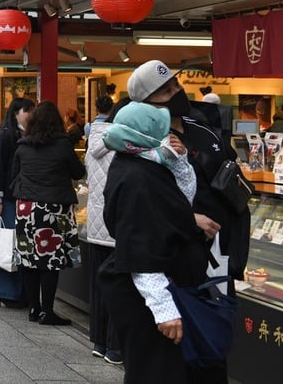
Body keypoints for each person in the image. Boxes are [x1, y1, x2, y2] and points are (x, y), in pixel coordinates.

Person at [127, 60, 248, 382]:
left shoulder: (202, 129)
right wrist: (186, 217)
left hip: (217, 259)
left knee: (212, 353)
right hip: (172, 264)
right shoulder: (143, 141)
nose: (176, 93)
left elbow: (230, 171)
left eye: (176, 86)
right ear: (146, 103)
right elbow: (139, 209)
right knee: (173, 360)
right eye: (165, 91)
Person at [99, 102, 209, 382]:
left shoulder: (145, 163)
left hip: (162, 287)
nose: (170, 135)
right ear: (144, 135)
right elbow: (141, 251)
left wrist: (178, 161)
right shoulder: (136, 178)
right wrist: (164, 310)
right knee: (155, 371)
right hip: (148, 300)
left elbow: (181, 202)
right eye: (161, 130)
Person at [11, 101, 85, 326]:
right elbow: (78, 171)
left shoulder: (22, 146)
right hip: (54, 208)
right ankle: (47, 310)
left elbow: (14, 176)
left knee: (29, 258)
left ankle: (33, 307)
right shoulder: (63, 145)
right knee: (50, 261)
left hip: (26, 209)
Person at [83, 97, 129, 365]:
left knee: (99, 284)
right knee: (120, 285)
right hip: (117, 223)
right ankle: (115, 347)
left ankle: (99, 342)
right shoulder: (126, 144)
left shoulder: (95, 139)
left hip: (96, 222)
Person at [0, 97, 35, 309]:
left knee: (16, 246)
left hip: (18, 199)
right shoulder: (5, 136)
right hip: (5, 201)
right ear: (16, 112)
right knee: (3, 245)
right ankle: (3, 292)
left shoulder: (23, 135)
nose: (30, 115)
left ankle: (14, 292)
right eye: (27, 111)